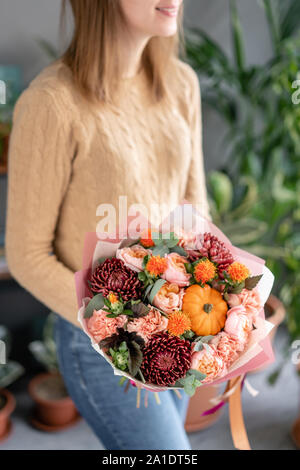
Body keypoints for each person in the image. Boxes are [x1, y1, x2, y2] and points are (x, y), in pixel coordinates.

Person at [5, 0, 211, 450]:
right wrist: (120, 326)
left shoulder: (181, 84)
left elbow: (194, 208)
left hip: (174, 322)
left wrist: (217, 305)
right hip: (96, 339)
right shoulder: (50, 104)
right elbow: (25, 255)